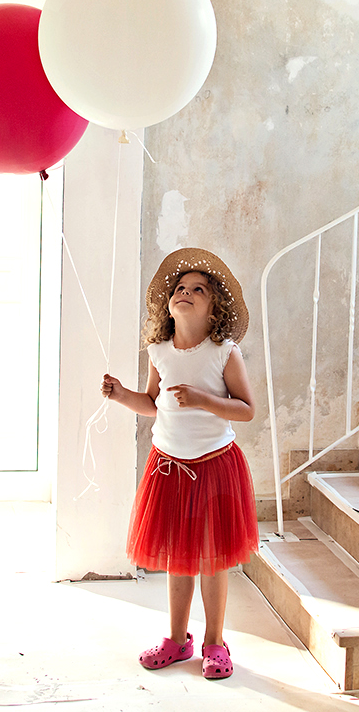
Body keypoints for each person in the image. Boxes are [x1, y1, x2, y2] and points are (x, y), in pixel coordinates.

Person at [100, 247, 258, 681]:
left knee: (211, 559)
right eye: (181, 288)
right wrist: (120, 395)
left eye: (198, 289)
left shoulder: (223, 351)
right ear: (170, 304)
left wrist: (206, 400)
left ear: (214, 310)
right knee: (177, 559)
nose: (186, 292)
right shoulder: (159, 352)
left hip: (213, 467)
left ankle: (215, 641)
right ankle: (176, 638)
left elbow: (246, 409)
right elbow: (152, 404)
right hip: (168, 466)